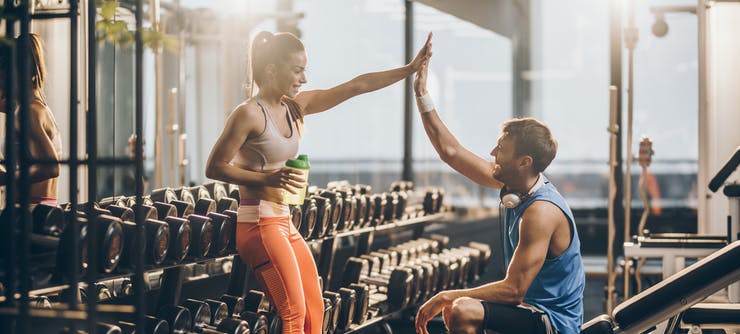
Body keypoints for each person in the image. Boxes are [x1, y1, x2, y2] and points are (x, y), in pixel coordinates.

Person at [205, 31, 432, 334]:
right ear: (272, 69)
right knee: (293, 314)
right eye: (297, 70)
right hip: (257, 225)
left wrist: (408, 69)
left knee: (315, 309)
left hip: (284, 221)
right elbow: (214, 167)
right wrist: (267, 178)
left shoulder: (294, 107)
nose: (304, 79)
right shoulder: (248, 113)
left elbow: (356, 86)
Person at [412, 48, 585, 334]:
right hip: (527, 311)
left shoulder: (541, 212)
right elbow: (451, 152)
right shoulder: (514, 185)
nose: (492, 153)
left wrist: (446, 296)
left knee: (462, 310)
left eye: (501, 150)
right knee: (462, 306)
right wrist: (422, 95)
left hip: (552, 323)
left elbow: (513, 290)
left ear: (524, 162)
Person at [0, 33, 62, 207]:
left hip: (30, 214)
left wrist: (6, 177)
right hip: (38, 209)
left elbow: (51, 167)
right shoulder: (36, 107)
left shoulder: (28, 112)